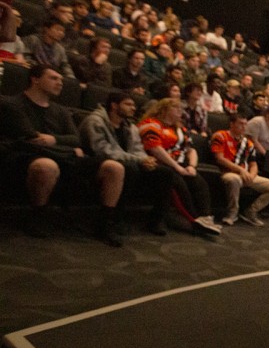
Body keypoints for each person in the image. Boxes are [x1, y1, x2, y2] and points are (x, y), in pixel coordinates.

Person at [0, 64, 126, 244]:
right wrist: (67, 147)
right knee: (46, 166)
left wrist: (53, 140)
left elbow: (76, 140)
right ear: (35, 79)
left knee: (114, 168)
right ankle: (37, 217)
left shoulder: (60, 110)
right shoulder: (13, 104)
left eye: (61, 79)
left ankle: (104, 224)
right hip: (26, 155)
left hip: (63, 156)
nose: (60, 83)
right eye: (53, 78)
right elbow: (28, 139)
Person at [79, 91, 173, 236]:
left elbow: (138, 149)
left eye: (134, 105)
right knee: (130, 168)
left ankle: (156, 220)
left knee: (164, 172)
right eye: (128, 104)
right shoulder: (95, 121)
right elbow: (102, 150)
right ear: (114, 106)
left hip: (129, 163)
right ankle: (116, 218)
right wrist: (139, 160)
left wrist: (146, 160)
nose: (133, 108)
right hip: (97, 162)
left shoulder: (131, 127)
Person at [138, 98, 221, 236]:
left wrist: (192, 166)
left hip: (180, 164)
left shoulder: (180, 129)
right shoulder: (151, 124)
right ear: (164, 109)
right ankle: (194, 219)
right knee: (178, 182)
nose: (180, 112)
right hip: (158, 165)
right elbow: (155, 149)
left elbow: (191, 150)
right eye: (176, 108)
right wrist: (177, 167)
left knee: (199, 182)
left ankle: (206, 217)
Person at [211, 113, 269, 227]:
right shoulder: (220, 136)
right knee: (234, 179)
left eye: (245, 124)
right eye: (240, 124)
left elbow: (253, 164)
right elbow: (219, 159)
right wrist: (241, 171)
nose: (244, 127)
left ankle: (251, 211)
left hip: (246, 174)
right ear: (232, 124)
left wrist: (251, 175)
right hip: (227, 172)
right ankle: (232, 212)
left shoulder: (248, 143)